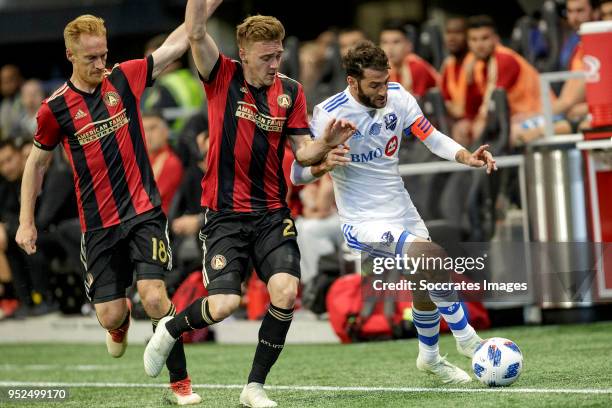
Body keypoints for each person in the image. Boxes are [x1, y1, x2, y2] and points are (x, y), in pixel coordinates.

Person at [143, 1, 356, 407]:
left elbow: (303, 152)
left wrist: (326, 143)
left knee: (285, 290)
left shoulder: (290, 91)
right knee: (224, 304)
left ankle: (254, 386)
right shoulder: (221, 75)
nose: (275, 63)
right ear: (243, 53)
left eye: (279, 54)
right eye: (266, 57)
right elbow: (195, 32)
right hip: (224, 214)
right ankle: (171, 330)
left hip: (272, 213)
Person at [13, 11, 222, 405]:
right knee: (109, 315)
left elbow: (175, 44)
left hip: (143, 212)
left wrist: (202, 9)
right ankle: (118, 323)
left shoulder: (123, 77)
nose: (100, 64)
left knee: (156, 297)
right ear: (70, 55)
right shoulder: (54, 109)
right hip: (98, 227)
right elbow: (35, 164)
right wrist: (26, 222)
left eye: (103, 55)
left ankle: (181, 384)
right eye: (90, 58)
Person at [291, 41, 497, 384]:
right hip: (361, 221)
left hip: (401, 210)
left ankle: (430, 359)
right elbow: (297, 173)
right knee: (433, 256)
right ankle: (470, 341)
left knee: (425, 278)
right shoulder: (330, 112)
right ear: (353, 82)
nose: (383, 90)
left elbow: (431, 137)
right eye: (374, 85)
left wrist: (466, 156)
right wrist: (325, 157)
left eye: (385, 81)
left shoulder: (399, 96)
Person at [465, 15, 543, 145]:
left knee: (506, 133)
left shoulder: (504, 59)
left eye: (485, 38)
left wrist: (480, 122)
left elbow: (493, 104)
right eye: (474, 39)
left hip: (539, 115)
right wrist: (469, 81)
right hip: (514, 119)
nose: (479, 45)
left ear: (496, 39)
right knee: (462, 129)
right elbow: (471, 111)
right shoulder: (476, 65)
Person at [379, 20, 439, 100]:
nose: (390, 48)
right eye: (385, 42)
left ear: (409, 45)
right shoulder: (383, 68)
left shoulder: (417, 66)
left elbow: (415, 103)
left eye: (396, 42)